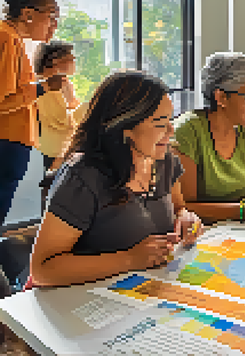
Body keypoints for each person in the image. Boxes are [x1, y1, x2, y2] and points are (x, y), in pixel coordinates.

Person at [28, 71, 204, 288]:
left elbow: (178, 206)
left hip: (145, 292)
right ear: (125, 126)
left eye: (171, 120)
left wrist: (185, 217)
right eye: (160, 123)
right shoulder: (83, 175)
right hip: (82, 298)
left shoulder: (165, 161)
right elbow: (42, 270)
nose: (171, 130)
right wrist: (129, 259)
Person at [174, 52, 245, 224]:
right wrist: (243, 212)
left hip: (239, 232)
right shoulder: (187, 133)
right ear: (221, 97)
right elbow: (184, 208)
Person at [0, 0, 60, 226]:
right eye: (51, 16)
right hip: (6, 142)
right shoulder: (7, 38)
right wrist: (42, 88)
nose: (54, 25)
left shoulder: (9, 37)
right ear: (27, 14)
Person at [34, 40, 87, 171]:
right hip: (51, 151)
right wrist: (87, 108)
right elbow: (62, 121)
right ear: (54, 61)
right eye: (70, 58)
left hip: (63, 148)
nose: (74, 61)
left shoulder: (65, 83)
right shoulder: (45, 85)